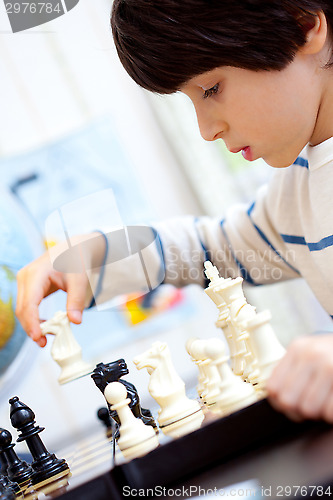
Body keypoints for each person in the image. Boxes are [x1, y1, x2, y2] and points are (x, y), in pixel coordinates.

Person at [16, 0, 333, 423]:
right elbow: (215, 249)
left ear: (305, 25)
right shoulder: (298, 190)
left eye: (212, 89)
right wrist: (97, 258)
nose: (206, 130)